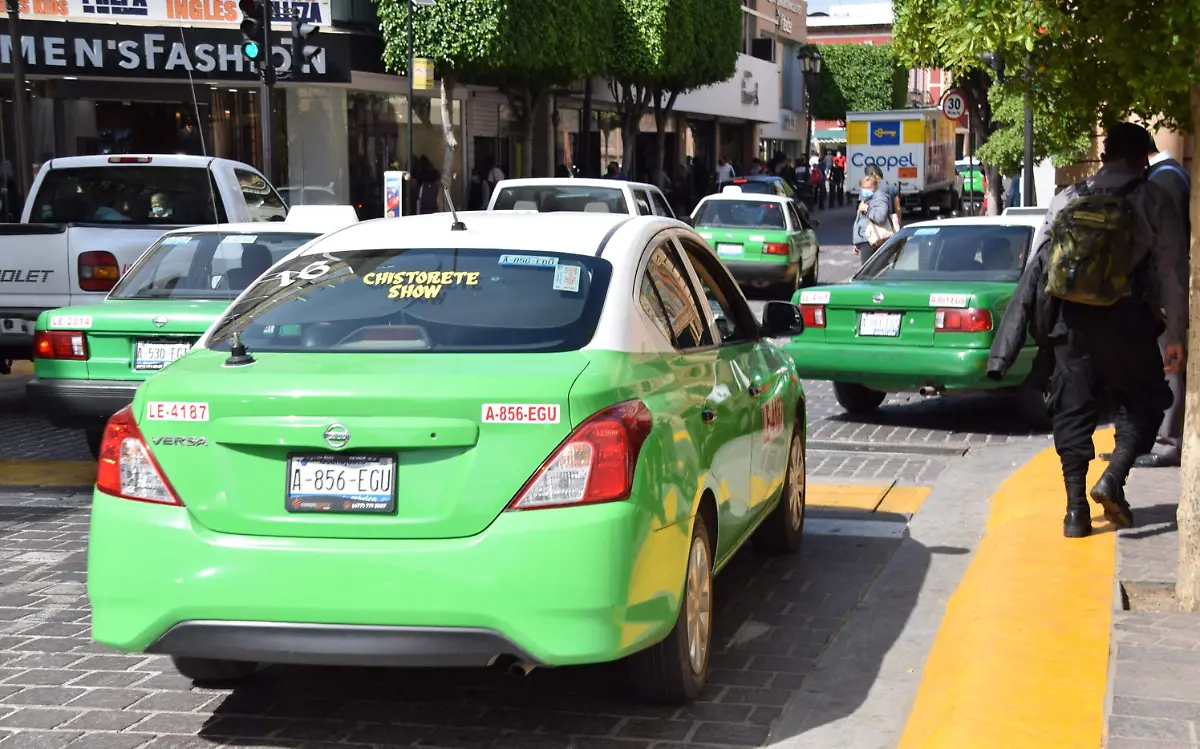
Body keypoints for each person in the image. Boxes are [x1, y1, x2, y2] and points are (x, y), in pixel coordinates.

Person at [987, 122, 1185, 538]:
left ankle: (1075, 511)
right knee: (1147, 401)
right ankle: (1113, 477)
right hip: (1129, 320)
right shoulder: (1154, 198)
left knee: (1072, 410)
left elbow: (1038, 267)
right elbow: (1170, 273)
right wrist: (1177, 336)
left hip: (1069, 321)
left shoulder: (1069, 197)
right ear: (1142, 159)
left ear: (1105, 156)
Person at [1107, 135, 1191, 468]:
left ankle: (1168, 441)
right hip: (1154, 293)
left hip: (1160, 294)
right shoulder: (1165, 176)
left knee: (1168, 365)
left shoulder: (1164, 180)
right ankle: (1137, 440)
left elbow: (1166, 247)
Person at [852, 175, 892, 265]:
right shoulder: (866, 199)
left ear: (875, 187)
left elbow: (881, 217)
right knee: (869, 271)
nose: (866, 190)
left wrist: (867, 209)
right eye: (864, 187)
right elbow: (860, 222)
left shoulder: (879, 198)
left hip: (871, 241)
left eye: (869, 187)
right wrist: (857, 242)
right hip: (865, 241)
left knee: (868, 273)